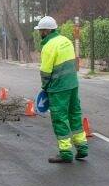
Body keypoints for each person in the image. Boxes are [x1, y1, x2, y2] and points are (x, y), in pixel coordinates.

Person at [35, 16, 86, 163]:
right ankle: (82, 148)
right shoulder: (66, 41)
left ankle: (65, 153)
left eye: (40, 31)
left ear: (46, 31)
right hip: (73, 84)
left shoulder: (49, 46)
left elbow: (45, 71)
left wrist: (44, 88)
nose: (39, 33)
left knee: (60, 119)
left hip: (58, 88)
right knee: (74, 114)